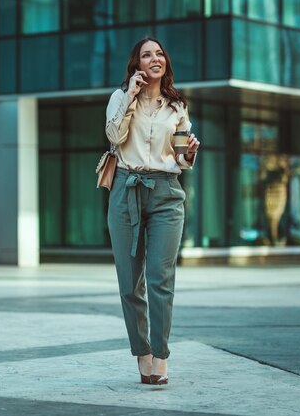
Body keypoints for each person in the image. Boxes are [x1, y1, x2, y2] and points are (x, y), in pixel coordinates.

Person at [105, 37, 200, 385]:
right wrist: (130, 96)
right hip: (126, 191)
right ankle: (141, 352)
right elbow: (114, 136)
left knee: (161, 279)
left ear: (165, 62)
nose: (155, 58)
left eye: (160, 53)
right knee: (130, 282)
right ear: (137, 64)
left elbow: (179, 157)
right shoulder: (119, 97)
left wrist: (189, 152)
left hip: (166, 193)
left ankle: (159, 356)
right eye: (147, 54)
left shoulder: (177, 106)